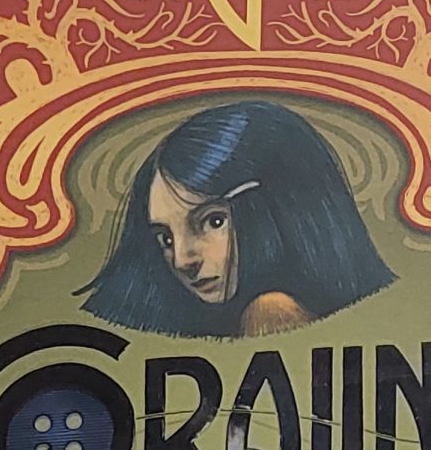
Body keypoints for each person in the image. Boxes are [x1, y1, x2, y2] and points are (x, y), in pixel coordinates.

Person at [83, 99, 394, 338]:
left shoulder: (271, 312)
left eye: (213, 221)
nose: (182, 260)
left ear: (278, 207)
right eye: (165, 238)